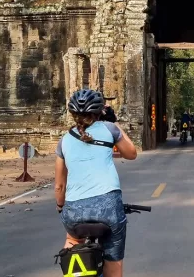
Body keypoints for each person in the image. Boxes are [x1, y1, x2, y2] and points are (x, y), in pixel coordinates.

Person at [54, 89, 137, 277]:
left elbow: (59, 186)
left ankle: (70, 266)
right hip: (109, 207)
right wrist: (113, 121)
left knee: (73, 240)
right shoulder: (110, 129)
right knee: (113, 259)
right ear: (100, 112)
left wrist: (61, 206)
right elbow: (131, 154)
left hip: (74, 210)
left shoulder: (64, 140)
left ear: (73, 114)